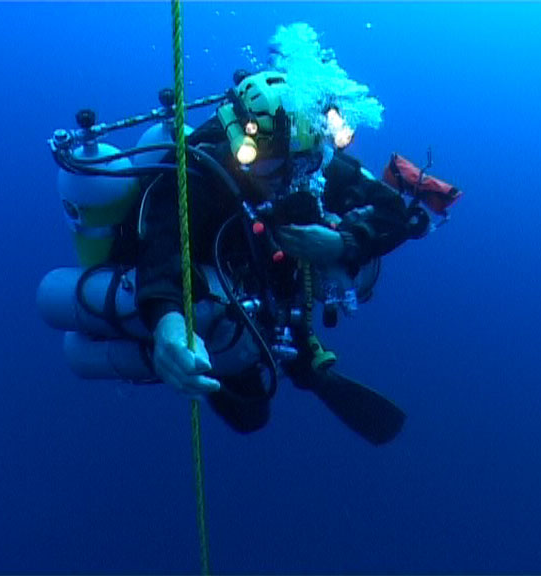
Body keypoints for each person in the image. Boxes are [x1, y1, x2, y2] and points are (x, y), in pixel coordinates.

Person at [39, 24, 461, 444]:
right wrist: (169, 324)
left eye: (300, 166)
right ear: (241, 143)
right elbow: (163, 249)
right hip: (212, 287)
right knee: (249, 412)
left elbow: (393, 212)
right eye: (270, 167)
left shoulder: (311, 161)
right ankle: (239, 350)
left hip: (266, 281)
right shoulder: (202, 170)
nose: (288, 180)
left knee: (353, 269)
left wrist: (342, 242)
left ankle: (294, 351)